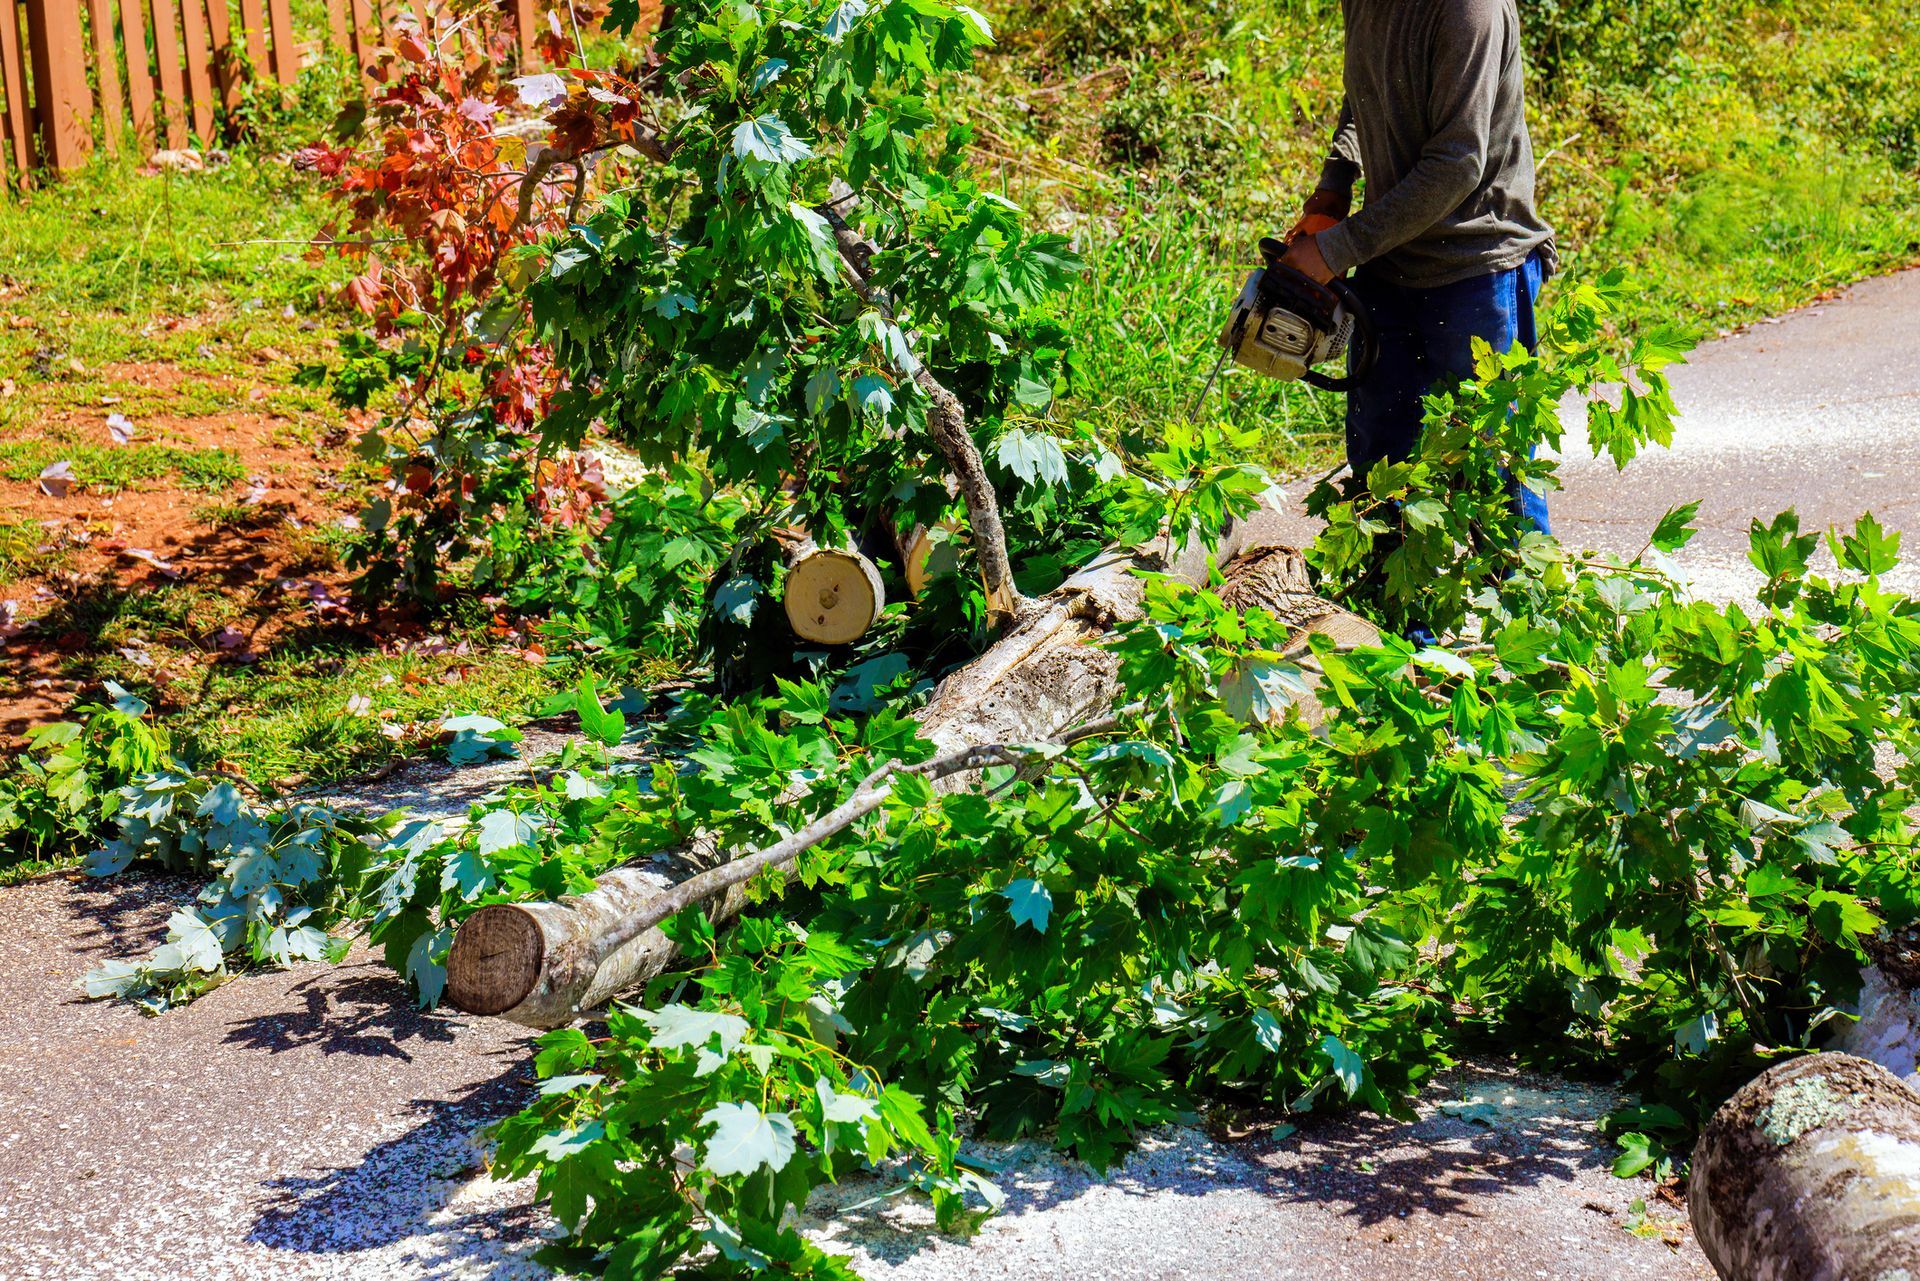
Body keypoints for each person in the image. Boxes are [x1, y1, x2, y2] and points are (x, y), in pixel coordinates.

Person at [1281, 0, 1555, 534]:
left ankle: (1531, 610)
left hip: (1478, 265)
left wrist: (1336, 250)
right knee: (1381, 472)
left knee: (1492, 473)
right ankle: (1392, 615)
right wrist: (1335, 185)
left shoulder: (1469, 12)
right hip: (1389, 255)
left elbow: (1458, 163)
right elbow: (1365, 92)